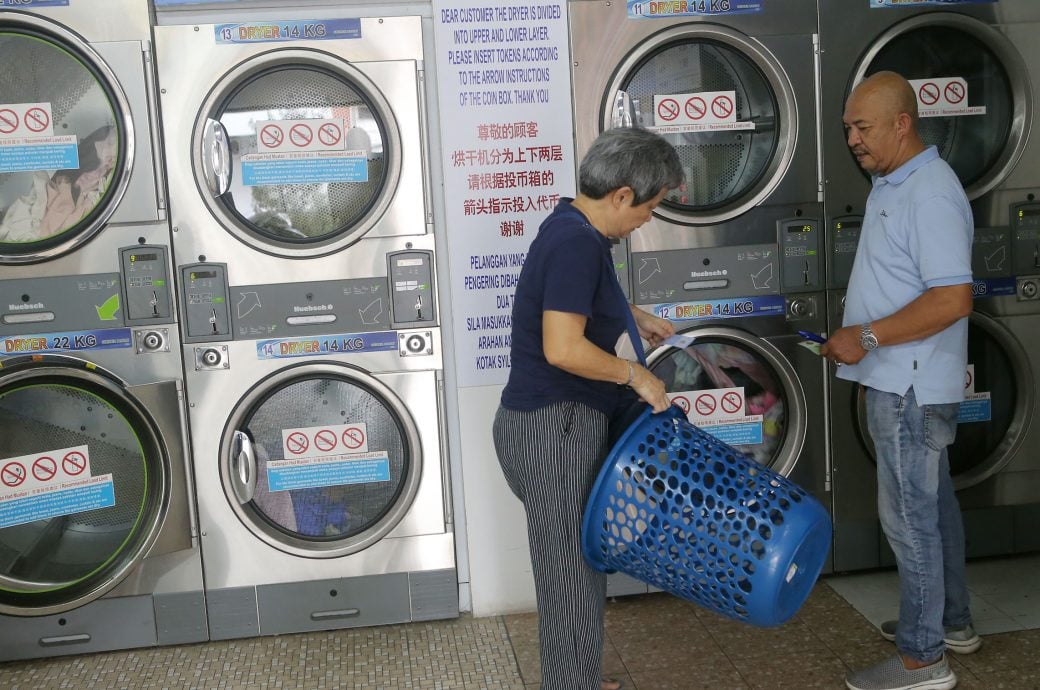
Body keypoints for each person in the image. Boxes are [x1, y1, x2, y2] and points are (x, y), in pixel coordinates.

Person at [492, 127, 682, 690]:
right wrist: (635, 374)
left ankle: (576, 679)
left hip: (551, 422)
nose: (649, 218)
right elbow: (563, 347)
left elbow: (572, 299)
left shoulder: (570, 227)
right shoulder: (576, 243)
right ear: (622, 195)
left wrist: (631, 313)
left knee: (576, 564)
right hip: (554, 427)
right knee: (569, 574)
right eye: (649, 207)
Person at [820, 71, 978, 690]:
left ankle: (923, 658)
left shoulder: (930, 192)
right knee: (933, 509)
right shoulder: (896, 181)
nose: (853, 140)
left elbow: (952, 298)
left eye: (862, 127)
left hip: (911, 390)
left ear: (902, 123)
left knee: (910, 521)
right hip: (900, 380)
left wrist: (864, 338)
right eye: (847, 130)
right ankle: (952, 622)